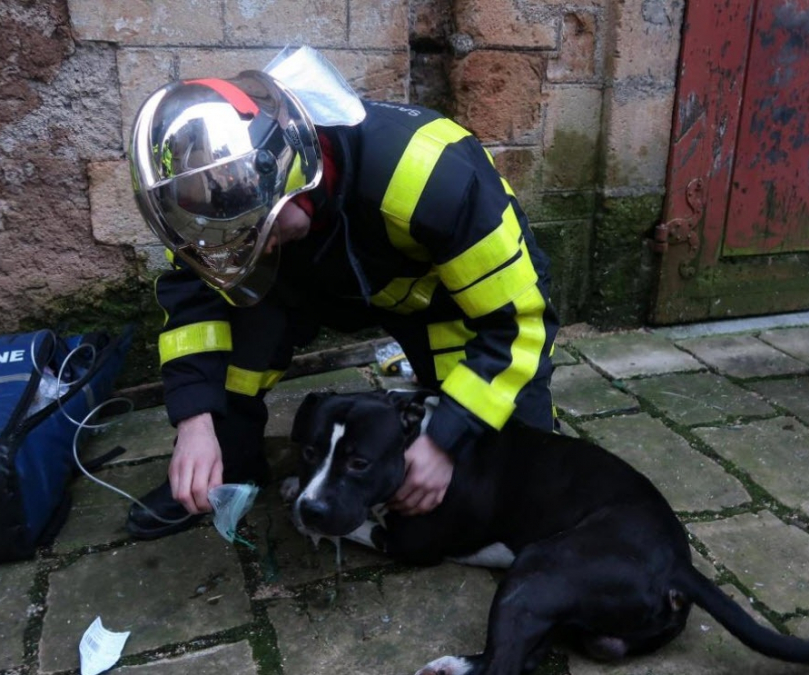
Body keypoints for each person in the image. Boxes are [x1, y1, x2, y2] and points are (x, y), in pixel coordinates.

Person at [124, 49, 559, 539]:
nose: (252, 250)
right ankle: (229, 462)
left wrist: (443, 439)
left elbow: (519, 322)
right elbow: (193, 311)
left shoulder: (435, 174)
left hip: (431, 301)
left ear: (296, 179)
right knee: (234, 330)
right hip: (302, 287)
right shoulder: (209, 212)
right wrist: (195, 421)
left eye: (261, 230)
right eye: (234, 243)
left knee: (519, 466)